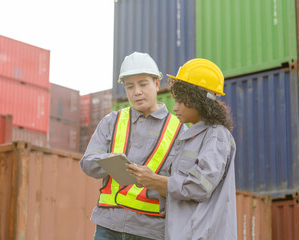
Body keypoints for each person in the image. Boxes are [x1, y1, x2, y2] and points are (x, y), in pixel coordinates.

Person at [80, 52, 187, 240]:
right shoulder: (111, 122)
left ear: (156, 83)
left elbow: (183, 188)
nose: (136, 91)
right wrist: (109, 161)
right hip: (108, 226)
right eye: (130, 86)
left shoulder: (180, 132)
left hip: (150, 231)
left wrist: (153, 180)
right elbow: (87, 163)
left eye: (143, 84)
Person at [127, 58, 237, 240]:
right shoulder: (189, 137)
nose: (175, 107)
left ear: (198, 101)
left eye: (180, 101)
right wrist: (145, 179)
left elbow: (199, 186)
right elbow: (179, 190)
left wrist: (155, 180)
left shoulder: (216, 135)